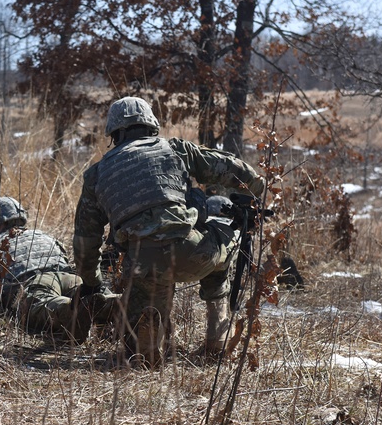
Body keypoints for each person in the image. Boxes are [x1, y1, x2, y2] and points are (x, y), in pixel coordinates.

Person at [73, 96, 267, 366]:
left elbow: (85, 242)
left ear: (115, 133)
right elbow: (226, 167)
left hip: (142, 265)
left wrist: (92, 283)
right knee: (226, 229)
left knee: (141, 333)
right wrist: (261, 190)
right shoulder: (176, 149)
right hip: (193, 253)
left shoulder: (96, 174)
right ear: (151, 125)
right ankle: (217, 338)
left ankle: (148, 340)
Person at [0, 196, 116, 343]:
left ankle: (74, 311)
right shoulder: (42, 235)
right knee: (96, 296)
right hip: (68, 277)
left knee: (44, 304)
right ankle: (119, 303)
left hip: (36, 283)